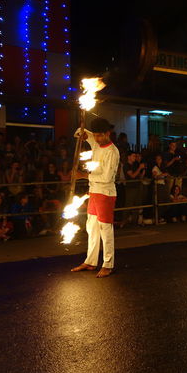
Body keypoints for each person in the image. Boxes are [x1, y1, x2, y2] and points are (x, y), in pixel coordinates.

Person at [71, 118, 120, 278]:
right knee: (91, 227)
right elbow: (79, 132)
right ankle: (91, 261)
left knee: (105, 229)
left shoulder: (112, 152)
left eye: (100, 136)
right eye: (96, 136)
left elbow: (106, 178)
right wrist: (83, 133)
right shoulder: (96, 142)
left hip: (105, 193)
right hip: (94, 192)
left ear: (108, 134)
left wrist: (83, 175)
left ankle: (108, 264)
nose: (97, 139)